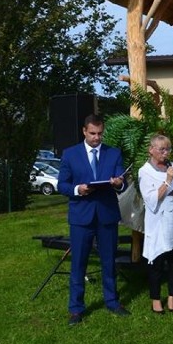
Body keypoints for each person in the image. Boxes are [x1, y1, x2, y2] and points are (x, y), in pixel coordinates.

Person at [57, 114, 128, 325]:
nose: (97, 138)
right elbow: (62, 185)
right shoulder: (70, 154)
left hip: (106, 215)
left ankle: (112, 301)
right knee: (79, 263)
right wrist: (78, 189)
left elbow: (122, 182)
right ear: (84, 131)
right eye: (93, 134)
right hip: (81, 216)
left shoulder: (113, 153)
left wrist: (118, 183)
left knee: (109, 261)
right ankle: (76, 309)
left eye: (100, 134)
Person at [138, 135, 173, 314]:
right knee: (157, 260)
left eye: (168, 149)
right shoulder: (145, 171)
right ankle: (155, 299)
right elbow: (151, 199)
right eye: (161, 149)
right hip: (159, 221)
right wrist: (168, 181)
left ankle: (172, 297)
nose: (165, 153)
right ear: (151, 150)